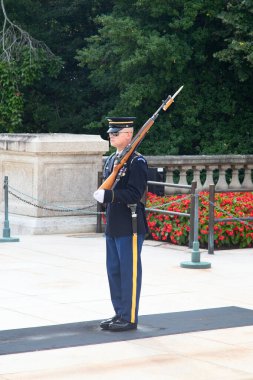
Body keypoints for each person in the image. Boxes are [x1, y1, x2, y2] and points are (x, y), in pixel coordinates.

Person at [93, 117, 148, 332]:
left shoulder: (137, 162)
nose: (111, 136)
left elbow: (135, 194)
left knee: (129, 272)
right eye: (110, 133)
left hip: (130, 225)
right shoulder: (110, 160)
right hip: (114, 224)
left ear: (128, 135)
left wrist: (110, 195)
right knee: (114, 270)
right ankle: (119, 313)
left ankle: (130, 317)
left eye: (115, 133)